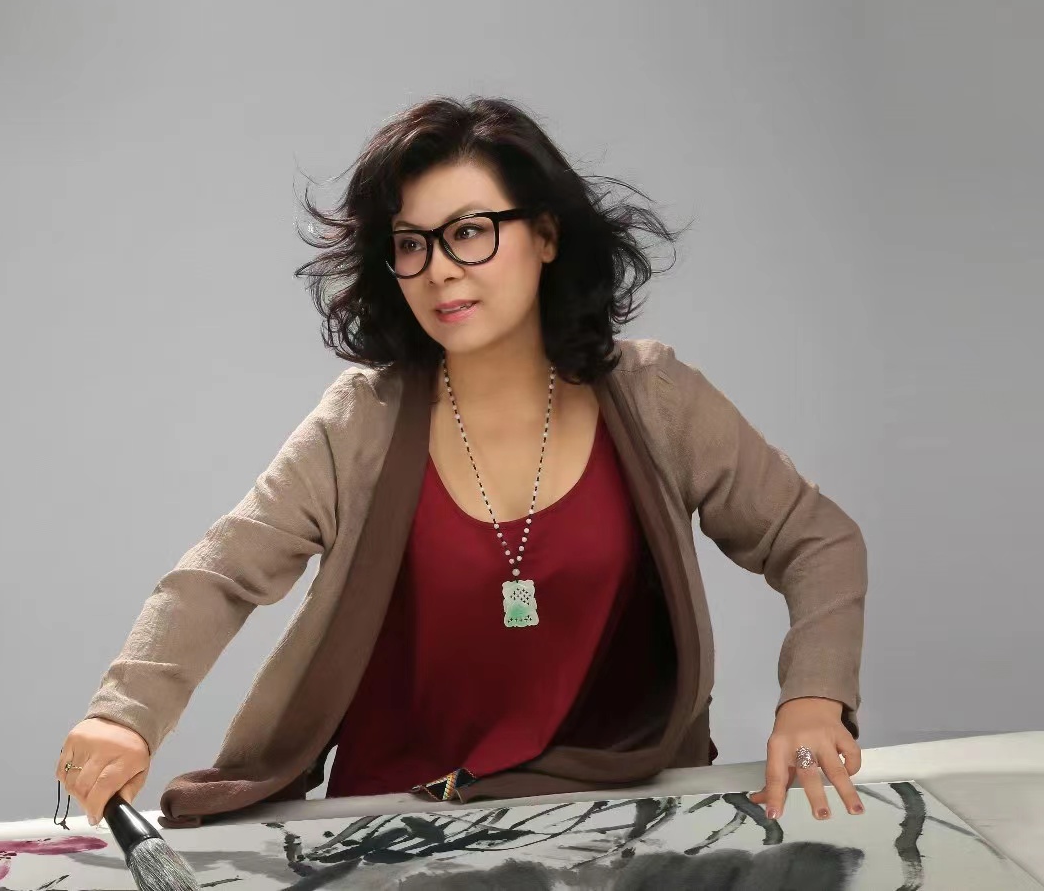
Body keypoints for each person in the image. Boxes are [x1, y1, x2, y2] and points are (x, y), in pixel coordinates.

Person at [55, 96, 867, 830]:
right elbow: (222, 572)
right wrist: (124, 714)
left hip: (617, 824)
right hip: (390, 833)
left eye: (470, 231)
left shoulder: (657, 397)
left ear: (546, 235)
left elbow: (815, 538)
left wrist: (814, 696)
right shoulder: (362, 421)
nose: (440, 267)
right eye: (411, 244)